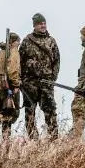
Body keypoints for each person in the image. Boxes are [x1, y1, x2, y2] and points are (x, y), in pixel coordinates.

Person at [18, 12, 60, 140]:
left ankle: (54, 139)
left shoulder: (51, 41)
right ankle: (33, 140)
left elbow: (57, 61)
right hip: (29, 83)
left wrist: (53, 78)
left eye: (44, 23)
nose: (43, 25)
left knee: (50, 111)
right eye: (40, 23)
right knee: (29, 111)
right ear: (34, 25)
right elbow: (19, 61)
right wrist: (21, 80)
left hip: (47, 83)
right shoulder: (26, 41)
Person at [0, 32, 21, 141]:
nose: (19, 44)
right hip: (8, 86)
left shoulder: (0, 53)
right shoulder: (13, 51)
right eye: (18, 42)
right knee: (10, 113)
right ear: (13, 42)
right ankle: (6, 141)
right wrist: (16, 84)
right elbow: (13, 70)